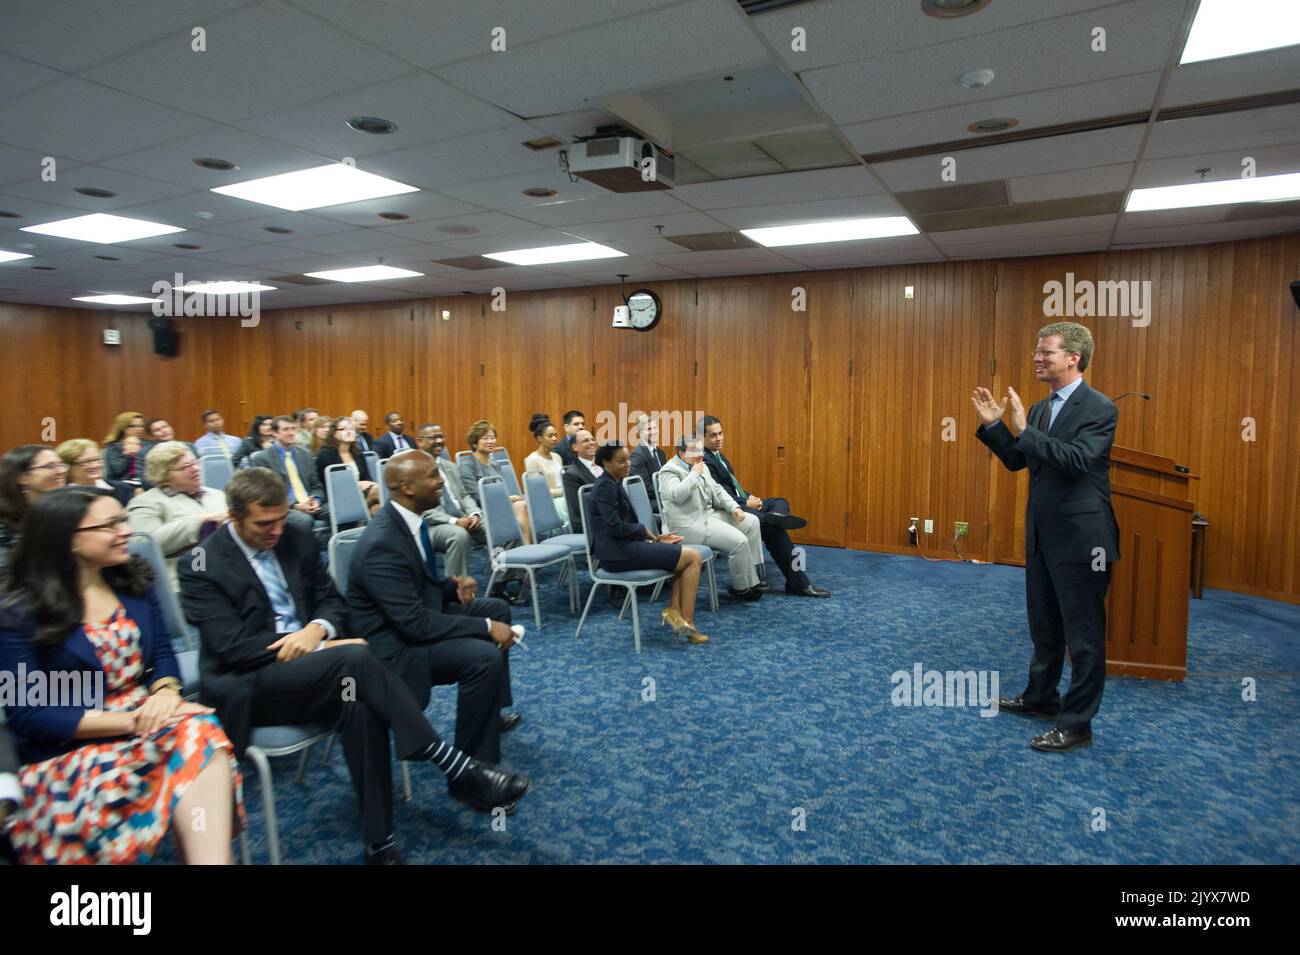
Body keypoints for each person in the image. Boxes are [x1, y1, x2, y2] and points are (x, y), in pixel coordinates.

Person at [179, 469, 528, 863]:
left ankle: (379, 840)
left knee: (360, 702)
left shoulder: (294, 536)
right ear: (233, 516)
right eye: (263, 523)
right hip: (251, 683)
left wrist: (317, 628)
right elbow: (232, 648)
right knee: (355, 658)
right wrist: (316, 645)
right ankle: (453, 765)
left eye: (281, 518)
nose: (275, 530)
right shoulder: (201, 562)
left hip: (323, 672)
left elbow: (333, 603)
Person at [0, 487, 242, 864]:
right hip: (71, 745)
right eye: (110, 524)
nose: (126, 530)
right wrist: (132, 721)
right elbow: (30, 713)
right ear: (69, 540)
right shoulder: (18, 610)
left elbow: (162, 652)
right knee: (196, 731)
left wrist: (165, 692)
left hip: (151, 720)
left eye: (123, 519)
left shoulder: (131, 581)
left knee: (199, 730)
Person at [973, 321, 1119, 754]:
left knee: (1084, 636)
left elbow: (1076, 461)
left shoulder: (1099, 408)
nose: (1038, 357)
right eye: (1037, 351)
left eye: (1047, 352)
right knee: (1045, 626)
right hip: (1042, 535)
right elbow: (1021, 460)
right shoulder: (1037, 409)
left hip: (1084, 540)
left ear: (1073, 358)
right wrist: (997, 428)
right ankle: (1040, 698)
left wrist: (1024, 430)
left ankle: (1077, 725)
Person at [348, 451, 526, 768]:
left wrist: (449, 586)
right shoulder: (382, 542)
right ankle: (472, 769)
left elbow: (414, 587)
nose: (442, 480)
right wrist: (485, 627)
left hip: (414, 619)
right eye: (432, 475)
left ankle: (489, 713)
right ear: (407, 487)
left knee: (497, 608)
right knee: (483, 655)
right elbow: (414, 623)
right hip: (397, 648)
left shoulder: (410, 522)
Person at [699, 415, 831, 598]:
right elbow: (718, 495)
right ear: (702, 438)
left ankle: (778, 515)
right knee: (774, 530)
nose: (719, 438)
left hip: (741, 502)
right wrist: (745, 503)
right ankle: (799, 583)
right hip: (729, 511)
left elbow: (730, 484)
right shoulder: (703, 461)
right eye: (713, 435)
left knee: (779, 501)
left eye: (720, 433)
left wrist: (747, 495)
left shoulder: (718, 455)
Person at [588, 444, 707, 643]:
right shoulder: (605, 488)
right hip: (616, 554)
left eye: (628, 460)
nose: (628, 465)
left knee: (683, 555)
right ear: (606, 463)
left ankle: (675, 613)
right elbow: (615, 528)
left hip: (624, 548)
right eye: (621, 461)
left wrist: (656, 539)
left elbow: (622, 527)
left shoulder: (613, 482)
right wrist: (647, 533)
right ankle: (687, 622)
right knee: (692, 558)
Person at [660, 433, 764, 600]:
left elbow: (716, 489)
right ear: (682, 454)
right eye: (694, 451)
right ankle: (742, 588)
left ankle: (753, 577)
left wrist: (734, 508)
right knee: (739, 541)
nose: (700, 454)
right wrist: (693, 474)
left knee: (751, 522)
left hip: (706, 516)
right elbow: (676, 495)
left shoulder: (700, 465)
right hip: (687, 527)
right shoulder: (669, 471)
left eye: (701, 450)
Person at [125, 443, 228, 594]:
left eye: (195, 463)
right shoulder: (147, 502)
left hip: (226, 572)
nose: (195, 469)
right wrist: (198, 522)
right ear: (164, 475)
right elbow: (143, 544)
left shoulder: (216, 495)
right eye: (186, 466)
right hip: (184, 583)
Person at [416, 423, 484, 578]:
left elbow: (464, 495)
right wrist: (454, 521)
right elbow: (423, 510)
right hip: (431, 525)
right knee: (459, 535)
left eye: (441, 437)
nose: (439, 441)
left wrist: (474, 514)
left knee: (505, 525)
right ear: (420, 441)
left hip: (463, 517)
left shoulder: (450, 466)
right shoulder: (415, 469)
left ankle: (502, 582)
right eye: (434, 437)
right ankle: (454, 591)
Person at [251, 416, 327, 536]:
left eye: (293, 429)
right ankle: (309, 554)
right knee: (304, 520)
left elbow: (316, 484)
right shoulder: (262, 458)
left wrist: (316, 500)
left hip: (310, 502)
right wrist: (295, 506)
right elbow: (267, 494)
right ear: (274, 433)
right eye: (286, 429)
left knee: (342, 511)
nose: (291, 433)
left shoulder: (305, 454)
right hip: (285, 506)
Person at [459, 419, 531, 544]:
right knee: (519, 507)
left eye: (492, 438)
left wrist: (511, 499)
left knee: (521, 505)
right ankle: (521, 549)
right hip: (481, 511)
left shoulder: (495, 464)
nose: (491, 441)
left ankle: (526, 548)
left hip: (499, 507)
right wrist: (509, 499)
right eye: (485, 438)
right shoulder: (467, 465)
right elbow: (476, 497)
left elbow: (500, 492)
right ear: (475, 443)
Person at [0, 444, 68, 571]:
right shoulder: (4, 523)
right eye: (50, 466)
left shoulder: (67, 509)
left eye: (61, 465)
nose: (61, 471)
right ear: (23, 478)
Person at [315, 416, 379, 512]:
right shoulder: (325, 454)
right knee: (378, 491)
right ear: (334, 434)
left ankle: (361, 515)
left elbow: (367, 478)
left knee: (377, 508)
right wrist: (357, 484)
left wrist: (366, 484)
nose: (349, 432)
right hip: (340, 496)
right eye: (344, 429)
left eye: (351, 429)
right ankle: (360, 512)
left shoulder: (358, 453)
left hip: (362, 493)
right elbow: (331, 484)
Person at [56, 438, 133, 505]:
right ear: (67, 468)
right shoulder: (62, 498)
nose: (95, 465)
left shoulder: (123, 489)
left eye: (97, 459)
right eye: (86, 462)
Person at [523, 413, 569, 524]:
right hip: (549, 502)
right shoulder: (532, 460)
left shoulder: (557, 457)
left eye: (555, 435)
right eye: (550, 436)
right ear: (539, 438)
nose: (554, 438)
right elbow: (538, 492)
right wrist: (564, 491)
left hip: (563, 498)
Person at [561, 428, 601, 534]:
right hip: (588, 524)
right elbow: (582, 507)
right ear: (575, 447)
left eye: (592, 439)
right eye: (585, 440)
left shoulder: (604, 465)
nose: (591, 443)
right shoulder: (571, 475)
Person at [629, 413, 667, 513]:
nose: (654, 432)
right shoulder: (637, 455)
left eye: (655, 428)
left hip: (661, 497)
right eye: (649, 429)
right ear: (640, 433)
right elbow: (646, 488)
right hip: (650, 501)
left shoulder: (661, 453)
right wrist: (668, 494)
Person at [102, 411, 152, 484]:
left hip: (144, 481)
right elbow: (118, 470)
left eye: (141, 426)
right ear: (123, 428)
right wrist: (128, 454)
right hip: (122, 483)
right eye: (133, 426)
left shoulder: (147, 444)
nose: (139, 429)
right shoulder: (114, 446)